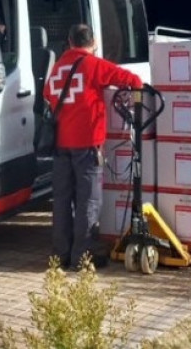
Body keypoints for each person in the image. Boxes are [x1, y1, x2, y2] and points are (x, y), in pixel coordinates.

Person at [43, 23, 143, 270]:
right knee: (88, 201)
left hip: (60, 145)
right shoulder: (93, 65)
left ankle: (60, 256)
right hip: (87, 144)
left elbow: (47, 93)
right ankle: (82, 257)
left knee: (62, 201)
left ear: (69, 41)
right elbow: (134, 79)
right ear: (94, 42)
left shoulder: (57, 68)